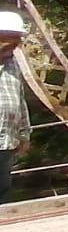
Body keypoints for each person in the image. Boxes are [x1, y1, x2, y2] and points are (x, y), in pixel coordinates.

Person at [0, 10, 31, 203]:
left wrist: (25, 134)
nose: (15, 44)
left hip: (6, 143)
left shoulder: (12, 64)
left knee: (2, 190)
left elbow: (19, 100)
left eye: (17, 39)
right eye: (10, 38)